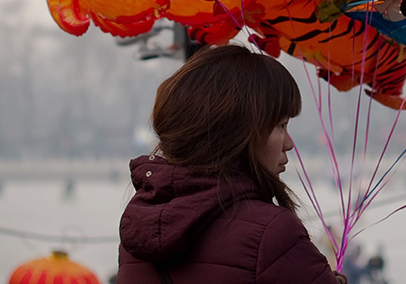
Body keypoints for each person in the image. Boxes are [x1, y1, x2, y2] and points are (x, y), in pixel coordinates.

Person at [116, 45, 346, 284]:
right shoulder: (273, 233)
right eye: (281, 125)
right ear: (239, 133)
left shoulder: (138, 232)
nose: (289, 144)